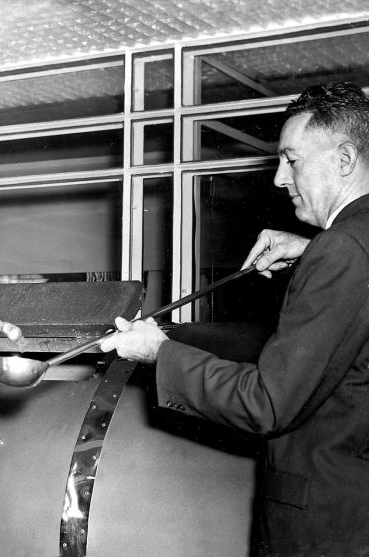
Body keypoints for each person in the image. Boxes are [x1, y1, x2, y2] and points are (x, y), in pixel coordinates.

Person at [101, 81, 369, 556]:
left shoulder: (344, 249)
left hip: (324, 531)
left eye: (292, 160)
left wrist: (156, 351)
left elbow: (267, 402)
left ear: (345, 160)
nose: (279, 179)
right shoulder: (351, 243)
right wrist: (312, 251)